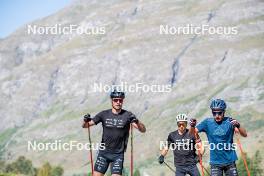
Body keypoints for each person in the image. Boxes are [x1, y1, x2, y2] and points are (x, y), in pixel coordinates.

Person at [82, 89, 146, 176]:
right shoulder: (103, 114)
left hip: (118, 155)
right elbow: (86, 126)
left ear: (122, 101)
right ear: (112, 101)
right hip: (103, 153)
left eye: (120, 100)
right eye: (115, 100)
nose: (118, 102)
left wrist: (137, 122)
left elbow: (143, 130)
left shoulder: (128, 115)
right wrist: (85, 120)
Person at [189, 99, 247, 176]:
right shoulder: (207, 122)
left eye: (219, 113)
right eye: (214, 113)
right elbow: (191, 134)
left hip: (230, 161)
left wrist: (238, 125)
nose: (217, 115)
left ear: (224, 112)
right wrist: (192, 126)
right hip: (215, 163)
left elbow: (244, 134)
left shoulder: (230, 121)